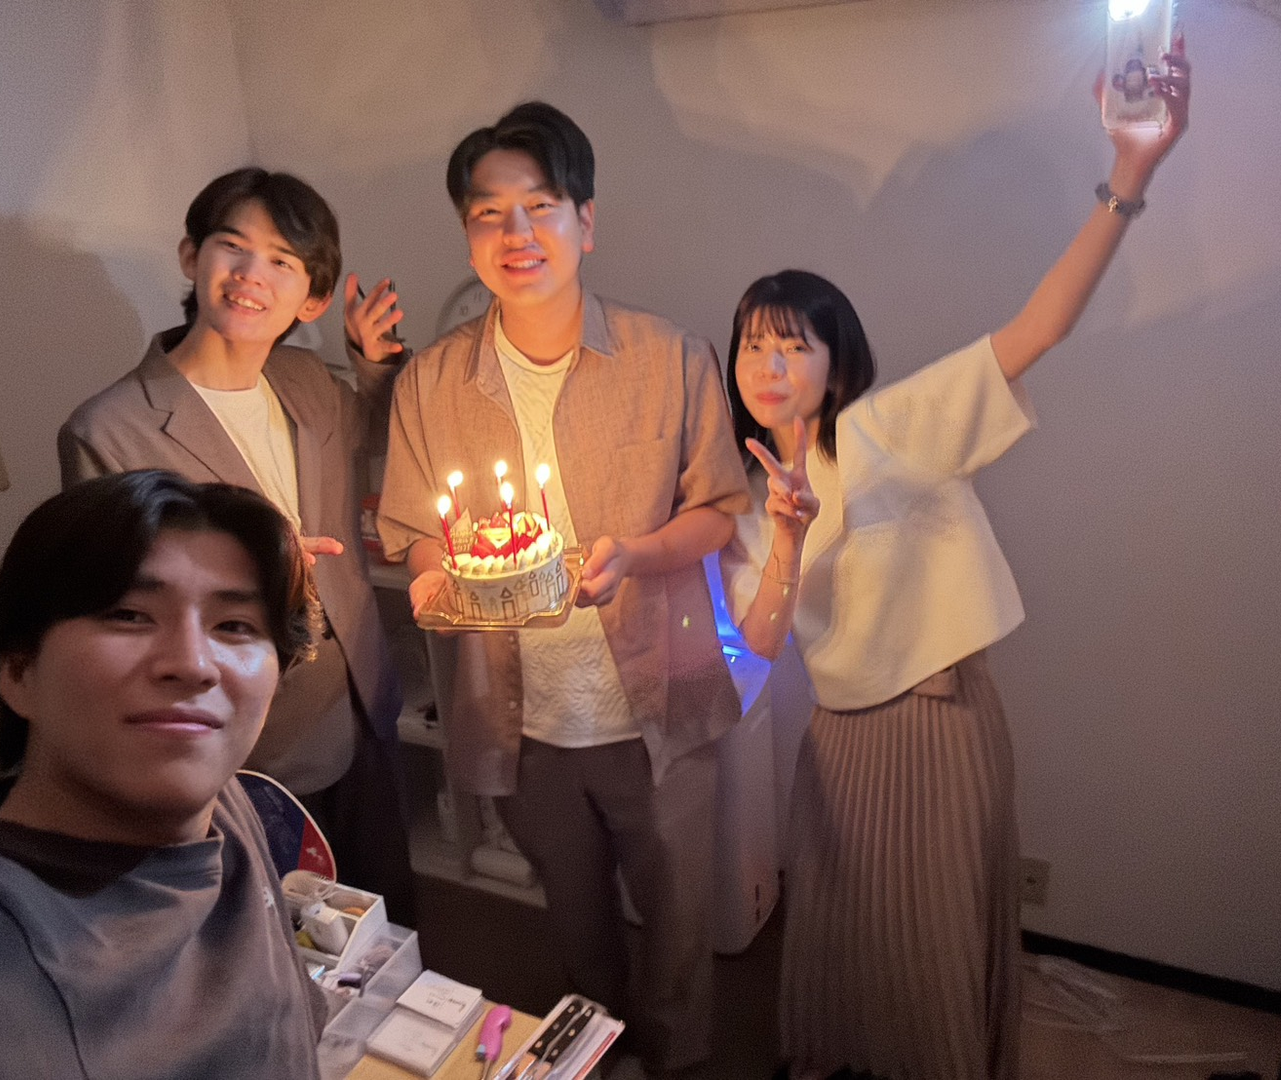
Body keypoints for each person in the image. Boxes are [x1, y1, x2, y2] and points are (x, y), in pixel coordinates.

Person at [719, 43, 1191, 1080]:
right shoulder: (749, 501)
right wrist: (787, 538)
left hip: (938, 722)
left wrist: (1129, 174)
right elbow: (755, 645)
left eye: (794, 344)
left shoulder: (892, 426)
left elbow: (1038, 327)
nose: (770, 363)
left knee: (931, 940)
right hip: (839, 745)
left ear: (836, 362)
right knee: (844, 932)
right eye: (753, 344)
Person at [377, 102, 749, 1076]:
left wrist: (639, 553)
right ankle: (597, 1060)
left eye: (540, 205)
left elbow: (720, 509)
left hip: (658, 710)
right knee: (577, 932)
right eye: (488, 213)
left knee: (678, 936)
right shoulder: (431, 383)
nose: (517, 233)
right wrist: (438, 586)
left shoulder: (671, 356)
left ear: (587, 221)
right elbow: (417, 538)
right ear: (468, 235)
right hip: (522, 724)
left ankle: (678, 1067)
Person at [57, 168, 415, 924]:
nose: (254, 274)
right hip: (248, 742)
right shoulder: (109, 430)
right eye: (234, 246)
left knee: (392, 918)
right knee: (287, 939)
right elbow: (115, 608)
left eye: (283, 261)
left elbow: (374, 433)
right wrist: (251, 566)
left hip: (358, 700)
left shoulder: (305, 379)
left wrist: (372, 362)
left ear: (312, 299)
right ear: (192, 256)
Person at [0, 470, 324, 1079]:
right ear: (19, 674)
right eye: (129, 615)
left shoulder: (223, 801)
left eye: (235, 626)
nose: (194, 665)